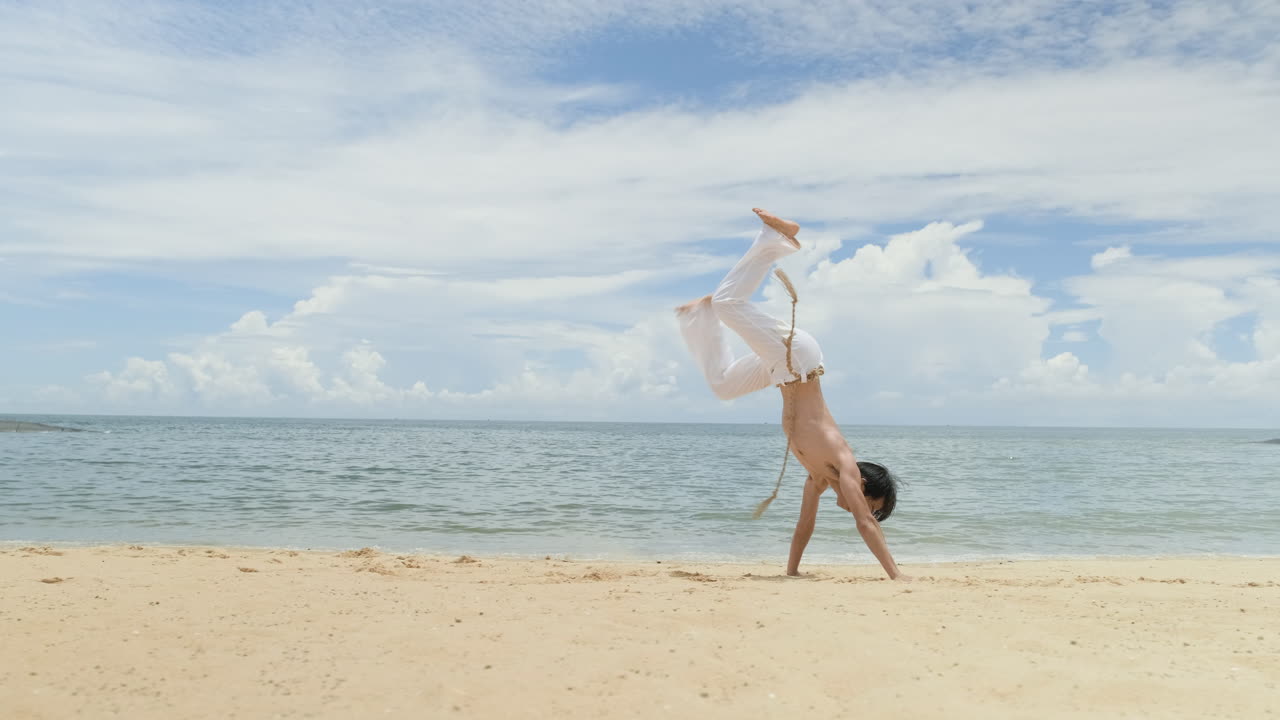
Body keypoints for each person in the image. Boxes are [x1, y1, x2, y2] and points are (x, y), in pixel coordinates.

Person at [675, 208, 908, 581]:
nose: (859, 510)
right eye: (869, 503)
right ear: (862, 486)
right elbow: (865, 525)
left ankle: (700, 317)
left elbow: (804, 526)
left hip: (782, 371)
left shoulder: (820, 477)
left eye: (870, 508)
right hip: (797, 360)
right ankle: (775, 239)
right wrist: (897, 577)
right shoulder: (843, 463)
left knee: (722, 385)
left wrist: (792, 572)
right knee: (729, 304)